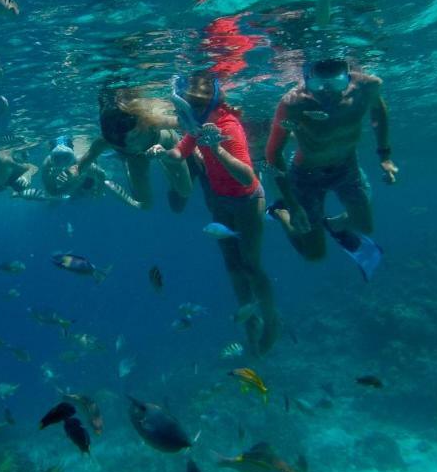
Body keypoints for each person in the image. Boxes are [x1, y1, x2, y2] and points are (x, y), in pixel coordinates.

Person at [151, 71, 279, 355]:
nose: (188, 113)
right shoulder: (199, 125)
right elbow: (180, 153)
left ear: (208, 104)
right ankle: (250, 322)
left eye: (192, 106)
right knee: (233, 268)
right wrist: (162, 152)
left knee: (251, 265)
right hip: (221, 202)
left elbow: (247, 178)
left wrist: (216, 148)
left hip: (247, 201)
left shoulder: (227, 125)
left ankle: (272, 321)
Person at [264, 51, 397, 280]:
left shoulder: (367, 87)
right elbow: (273, 152)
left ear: (348, 76)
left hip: (347, 167)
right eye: (318, 84)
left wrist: (384, 156)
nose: (327, 91)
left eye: (336, 83)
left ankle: (335, 225)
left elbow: (379, 111)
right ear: (306, 78)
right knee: (314, 255)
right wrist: (293, 205)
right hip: (306, 176)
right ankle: (281, 212)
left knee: (365, 226)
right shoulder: (292, 103)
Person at [74, 88, 194, 212]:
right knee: (145, 205)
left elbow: (189, 123)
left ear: (141, 123)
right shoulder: (107, 139)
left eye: (136, 135)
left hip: (167, 146)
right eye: (125, 142)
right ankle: (135, 196)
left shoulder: (151, 121)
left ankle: (166, 166)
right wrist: (71, 173)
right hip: (135, 157)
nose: (134, 143)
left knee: (185, 191)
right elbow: (84, 162)